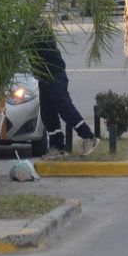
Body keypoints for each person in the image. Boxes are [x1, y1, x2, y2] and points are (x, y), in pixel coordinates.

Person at [31, 23, 99, 157]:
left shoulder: (37, 27)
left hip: (55, 74)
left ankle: (89, 137)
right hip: (43, 77)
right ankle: (57, 147)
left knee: (65, 108)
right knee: (47, 113)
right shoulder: (30, 26)